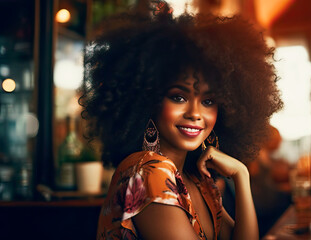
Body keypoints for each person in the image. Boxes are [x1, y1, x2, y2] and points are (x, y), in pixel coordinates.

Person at [80, 1, 283, 239]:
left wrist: (241, 174)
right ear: (148, 101)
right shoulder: (148, 171)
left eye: (208, 101)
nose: (195, 113)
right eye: (178, 97)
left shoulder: (196, 179)